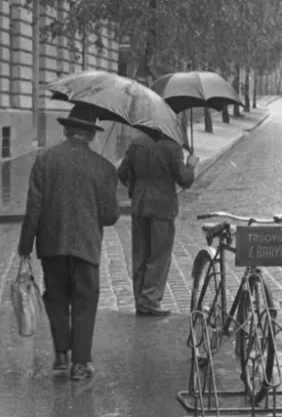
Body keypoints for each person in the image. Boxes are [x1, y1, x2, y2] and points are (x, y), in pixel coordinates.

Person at [17, 104, 120, 381]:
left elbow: (34, 208)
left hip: (52, 244)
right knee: (85, 301)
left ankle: (62, 354)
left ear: (66, 130)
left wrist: (25, 246)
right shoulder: (105, 168)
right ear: (91, 135)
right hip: (86, 246)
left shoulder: (45, 160)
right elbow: (110, 217)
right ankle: (81, 363)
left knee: (57, 297)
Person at [117, 132, 198, 317]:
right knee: (159, 254)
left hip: (140, 204)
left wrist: (135, 188)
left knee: (140, 253)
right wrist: (190, 165)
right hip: (162, 207)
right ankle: (150, 299)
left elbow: (121, 172)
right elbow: (184, 179)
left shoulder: (136, 143)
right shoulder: (172, 147)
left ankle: (140, 299)